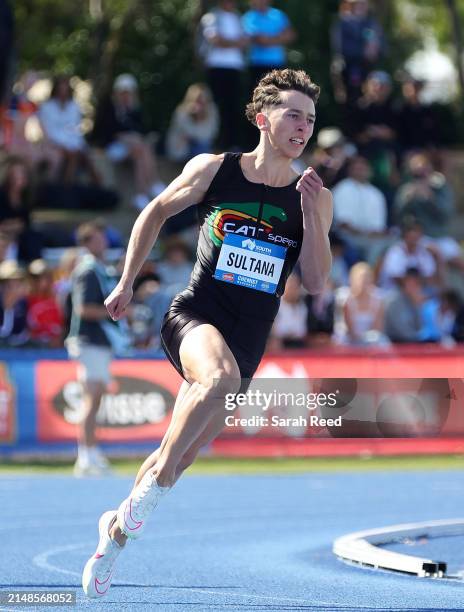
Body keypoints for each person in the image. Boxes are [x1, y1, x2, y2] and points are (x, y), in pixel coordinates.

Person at [82, 68, 332, 598]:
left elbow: (315, 282)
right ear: (264, 120)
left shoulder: (313, 195)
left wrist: (313, 217)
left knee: (179, 456)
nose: (303, 127)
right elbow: (152, 211)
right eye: (293, 114)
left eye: (310, 119)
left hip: (250, 337)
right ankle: (142, 502)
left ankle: (116, 534)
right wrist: (128, 281)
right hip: (197, 314)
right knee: (215, 377)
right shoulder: (215, 170)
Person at [66, 221, 127, 477]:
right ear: (87, 242)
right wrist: (116, 312)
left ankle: (91, 452)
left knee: (96, 398)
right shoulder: (88, 271)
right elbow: (83, 309)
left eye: (104, 237)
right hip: (88, 340)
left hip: (99, 342)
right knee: (91, 398)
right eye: (97, 238)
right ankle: (85, 455)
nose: (103, 242)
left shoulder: (100, 270)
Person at [90, 74, 165, 210]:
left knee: (141, 149)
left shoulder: (135, 109)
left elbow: (141, 130)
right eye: (122, 93)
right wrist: (123, 136)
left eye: (128, 93)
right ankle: (153, 183)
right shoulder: (108, 108)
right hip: (111, 148)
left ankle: (142, 194)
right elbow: (103, 132)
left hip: (132, 149)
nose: (125, 96)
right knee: (140, 147)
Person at [38, 76, 101, 185]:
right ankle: (67, 186)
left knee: (85, 158)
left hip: (72, 144)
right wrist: (62, 145)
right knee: (72, 156)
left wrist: (75, 145)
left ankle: (95, 185)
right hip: (54, 144)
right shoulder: (47, 107)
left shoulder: (74, 107)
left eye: (65, 88)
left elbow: (75, 131)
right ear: (56, 89)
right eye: (61, 87)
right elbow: (48, 131)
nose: (63, 91)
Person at [242, 0, 295, 87]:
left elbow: (290, 35)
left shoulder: (279, 14)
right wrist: (279, 37)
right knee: (259, 97)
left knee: (280, 96)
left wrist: (269, 39)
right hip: (257, 64)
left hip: (278, 63)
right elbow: (262, 41)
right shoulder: (248, 17)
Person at [165, 83, 219, 163]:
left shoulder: (212, 111)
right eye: (197, 100)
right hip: (181, 150)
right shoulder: (182, 112)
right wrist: (194, 117)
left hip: (202, 147)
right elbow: (186, 133)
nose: (200, 105)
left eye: (202, 101)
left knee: (203, 145)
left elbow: (210, 134)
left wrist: (201, 118)